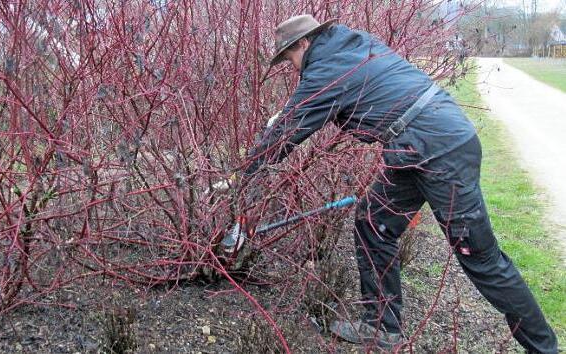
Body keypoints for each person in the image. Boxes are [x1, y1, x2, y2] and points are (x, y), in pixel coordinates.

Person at [237, 14, 558, 352]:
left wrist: (244, 175)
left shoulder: (328, 68)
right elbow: (305, 112)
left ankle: (544, 348)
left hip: (437, 148)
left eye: (289, 58)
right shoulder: (351, 45)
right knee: (372, 223)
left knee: (479, 257)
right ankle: (381, 329)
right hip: (416, 145)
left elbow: (289, 130)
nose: (292, 66)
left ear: (303, 43)